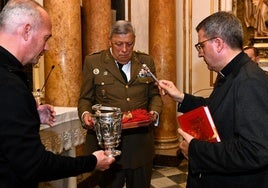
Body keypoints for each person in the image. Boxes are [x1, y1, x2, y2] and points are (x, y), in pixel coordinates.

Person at [0, 1, 115, 188]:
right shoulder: (9, 85)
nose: (46, 47)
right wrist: (92, 162)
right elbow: (34, 165)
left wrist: (29, 114)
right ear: (27, 30)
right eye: (46, 38)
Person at [158, 11, 268, 188]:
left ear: (218, 43)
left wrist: (195, 149)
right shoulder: (231, 72)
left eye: (201, 45)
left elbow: (255, 151)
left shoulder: (249, 80)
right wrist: (180, 97)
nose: (200, 53)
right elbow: (216, 109)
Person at [78, 20, 162, 187]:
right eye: (119, 44)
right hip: (108, 149)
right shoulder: (94, 62)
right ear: (110, 40)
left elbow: (155, 96)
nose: (124, 50)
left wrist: (154, 112)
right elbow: (85, 98)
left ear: (134, 40)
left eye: (129, 44)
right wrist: (85, 114)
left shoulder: (145, 62)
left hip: (140, 145)